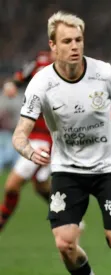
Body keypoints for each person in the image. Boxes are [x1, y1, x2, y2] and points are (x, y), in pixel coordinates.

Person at [11, 11, 111, 275]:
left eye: (78, 39)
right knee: (65, 244)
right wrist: (28, 151)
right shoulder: (41, 83)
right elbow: (20, 133)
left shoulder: (104, 74)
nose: (74, 46)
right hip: (67, 171)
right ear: (53, 46)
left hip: (108, 168)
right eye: (67, 41)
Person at [0, 51, 55, 232]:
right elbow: (18, 78)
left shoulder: (75, 70)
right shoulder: (41, 62)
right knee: (40, 187)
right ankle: (68, 213)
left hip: (48, 138)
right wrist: (11, 85)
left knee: (12, 185)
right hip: (32, 134)